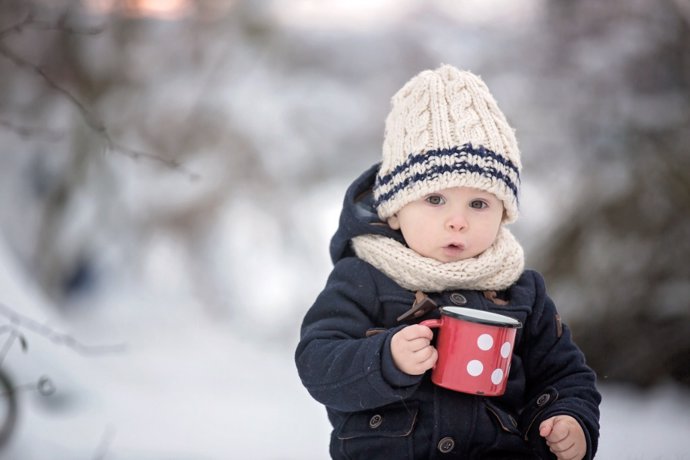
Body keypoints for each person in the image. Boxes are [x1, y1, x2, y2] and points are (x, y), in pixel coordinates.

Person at [295, 64, 601, 459]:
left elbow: (565, 374)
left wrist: (569, 417)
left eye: (479, 203)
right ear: (393, 211)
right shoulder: (364, 280)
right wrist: (385, 360)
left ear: (503, 214)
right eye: (435, 199)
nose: (458, 220)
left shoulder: (523, 292)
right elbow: (318, 363)